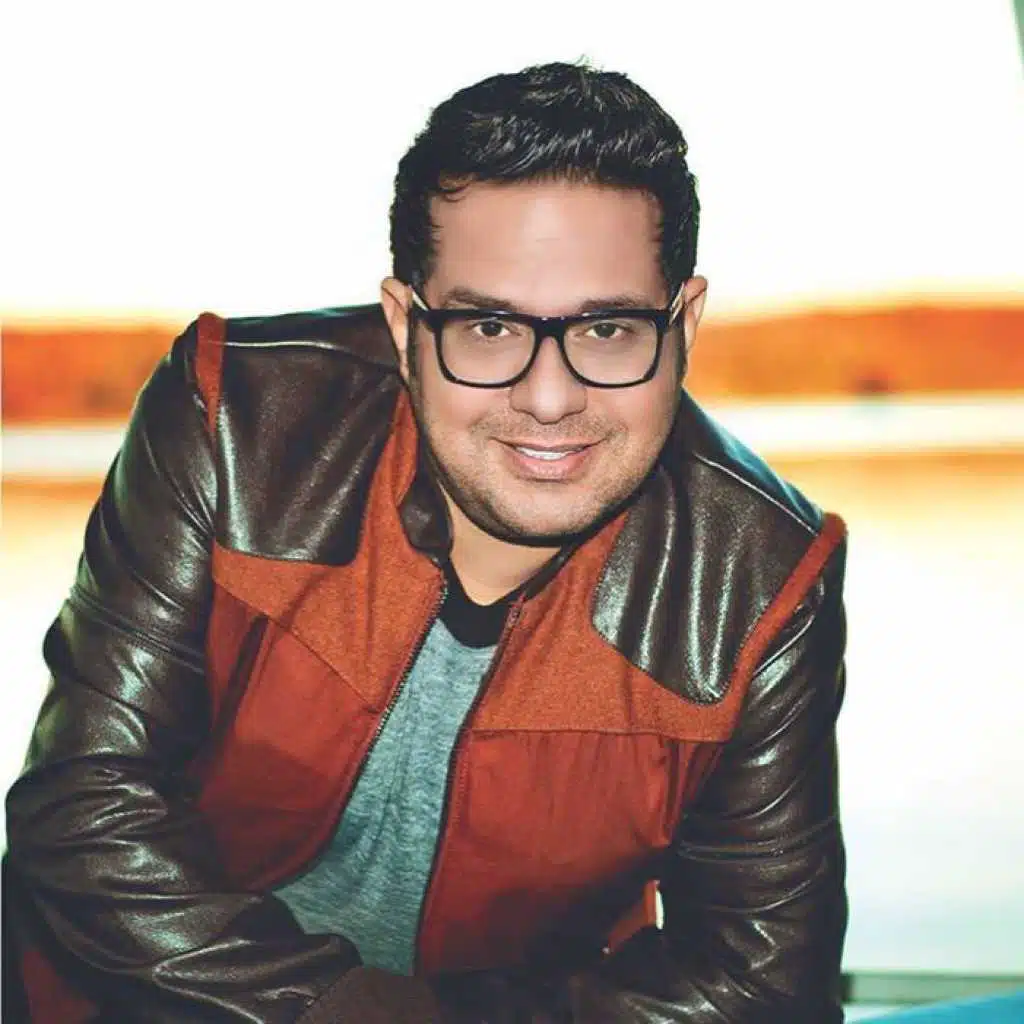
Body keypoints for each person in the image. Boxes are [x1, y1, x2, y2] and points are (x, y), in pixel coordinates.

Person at [4, 61, 849, 1022]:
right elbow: (83, 806)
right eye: (488, 326)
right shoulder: (233, 421)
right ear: (406, 323)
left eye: (609, 330)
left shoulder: (765, 581)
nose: (549, 397)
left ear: (684, 322)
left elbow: (760, 983)